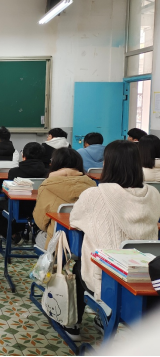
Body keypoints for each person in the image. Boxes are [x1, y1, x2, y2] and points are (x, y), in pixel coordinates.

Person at [68, 140, 160, 340]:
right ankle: (104, 319)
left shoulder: (94, 194)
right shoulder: (154, 194)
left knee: (76, 267)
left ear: (107, 164)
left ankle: (73, 324)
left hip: (108, 281)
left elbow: (74, 220)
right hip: (147, 277)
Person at [33, 148, 95, 250]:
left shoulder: (47, 186)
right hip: (86, 242)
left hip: (57, 242)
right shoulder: (92, 185)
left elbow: (41, 222)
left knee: (38, 235)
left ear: (55, 163)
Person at [0, 142, 48, 244]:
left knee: (0, 204)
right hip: (41, 209)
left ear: (24, 156)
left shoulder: (14, 172)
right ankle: (37, 232)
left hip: (19, 210)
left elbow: (9, 194)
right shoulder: (48, 173)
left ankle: (11, 234)